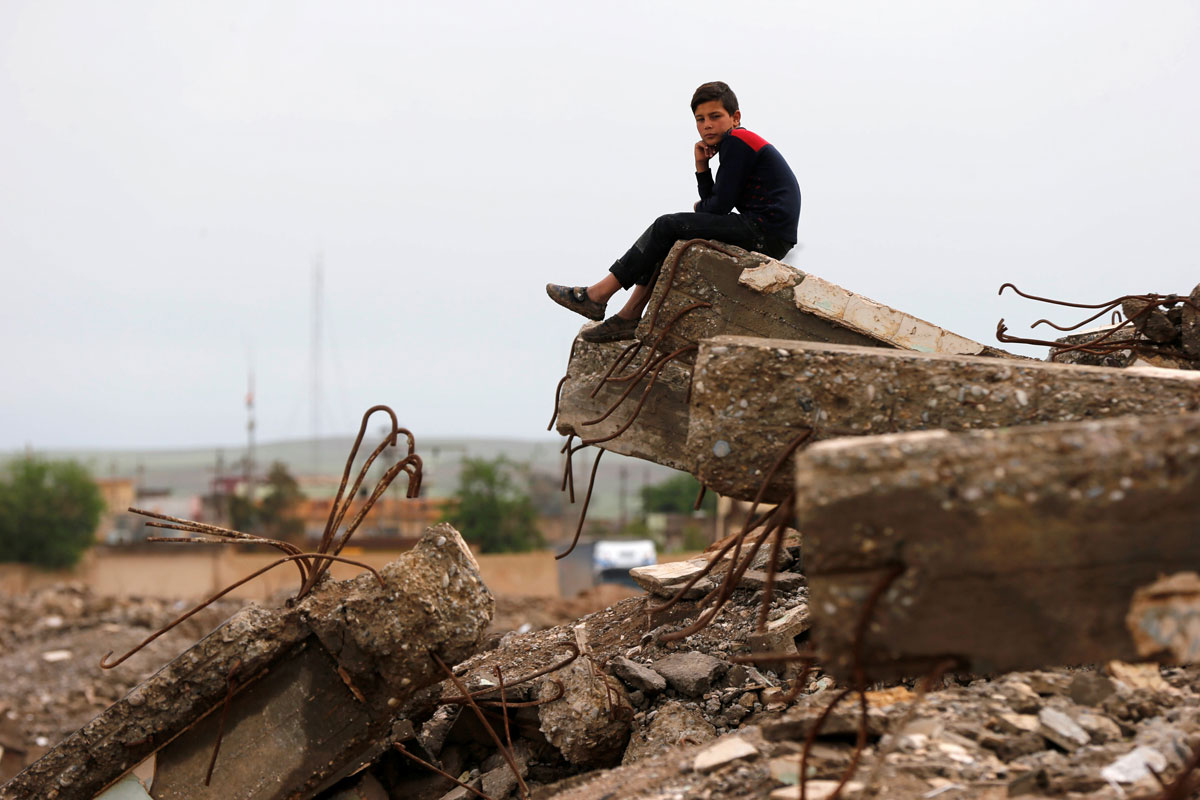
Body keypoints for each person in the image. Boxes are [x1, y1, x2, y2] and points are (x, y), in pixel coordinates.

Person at [546, 81, 801, 342]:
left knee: (666, 225)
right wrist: (702, 167)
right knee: (669, 236)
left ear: (735, 118)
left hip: (765, 231)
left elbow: (716, 207)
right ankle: (629, 316)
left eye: (715, 117)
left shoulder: (738, 140)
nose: (707, 125)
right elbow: (713, 207)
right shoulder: (735, 144)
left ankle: (598, 295)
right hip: (765, 231)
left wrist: (702, 192)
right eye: (700, 119)